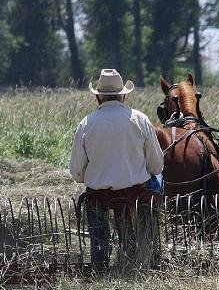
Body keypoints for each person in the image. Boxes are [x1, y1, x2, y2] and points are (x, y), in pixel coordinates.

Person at [69, 69, 164, 268]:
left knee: (95, 209)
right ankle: (150, 242)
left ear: (98, 97)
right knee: (159, 179)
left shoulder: (86, 123)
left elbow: (77, 173)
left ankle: (100, 257)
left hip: (99, 195)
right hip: (136, 193)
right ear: (124, 95)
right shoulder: (140, 119)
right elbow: (156, 165)